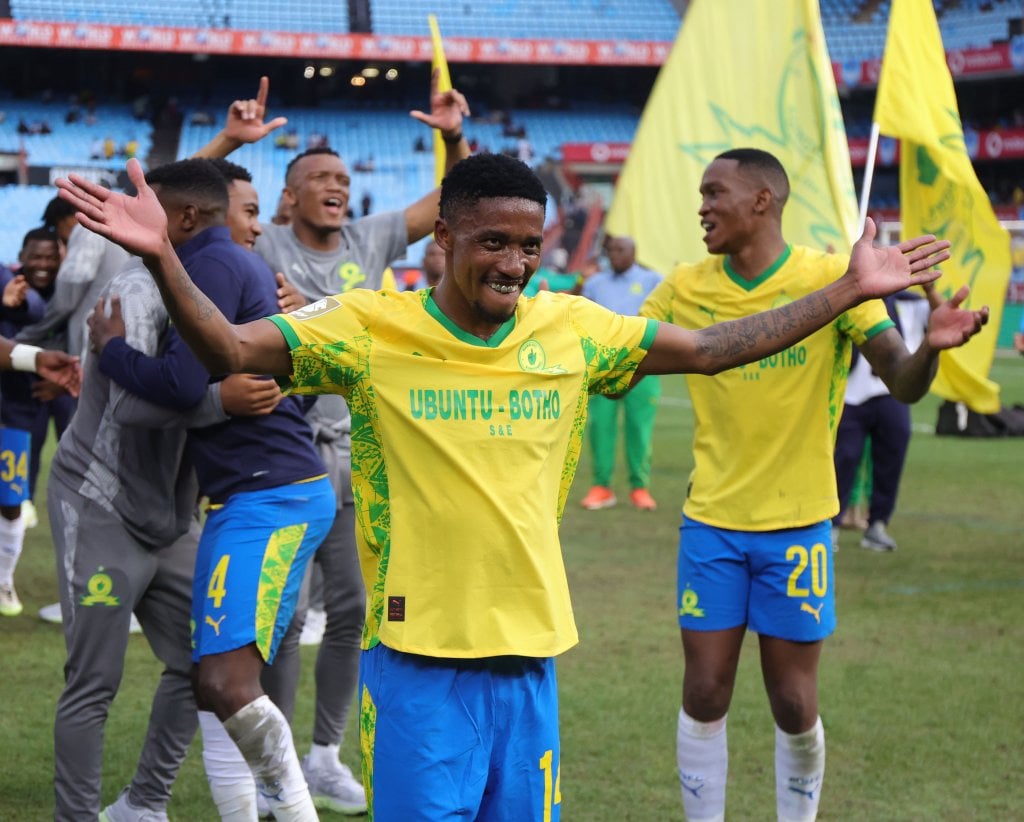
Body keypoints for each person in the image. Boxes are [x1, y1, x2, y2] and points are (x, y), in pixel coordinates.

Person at [57, 150, 967, 821]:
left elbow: (715, 347)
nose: (512, 264)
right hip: (418, 673)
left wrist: (848, 292)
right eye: (492, 242)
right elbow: (229, 348)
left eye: (528, 246)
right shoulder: (373, 326)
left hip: (532, 669)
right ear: (443, 236)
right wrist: (164, 260)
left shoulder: (572, 329)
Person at [638, 148, 988, 822]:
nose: (702, 206)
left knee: (794, 703)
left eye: (716, 193)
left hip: (799, 525)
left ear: (762, 201)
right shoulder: (683, 286)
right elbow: (623, 360)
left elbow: (902, 381)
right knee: (705, 689)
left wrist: (930, 352)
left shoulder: (832, 277)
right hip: (711, 520)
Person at [193, 72, 470, 814]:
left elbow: (454, 203)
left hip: (359, 455)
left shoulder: (370, 238)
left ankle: (323, 755)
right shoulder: (262, 238)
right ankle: (269, 759)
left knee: (351, 612)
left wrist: (450, 138)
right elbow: (185, 201)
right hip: (281, 454)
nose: (335, 186)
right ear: (286, 198)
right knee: (278, 622)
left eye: (343, 178)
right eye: (318, 176)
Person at [93, 157, 335, 820]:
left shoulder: (217, 266)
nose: (256, 227)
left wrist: (111, 349)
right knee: (218, 684)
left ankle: (295, 809)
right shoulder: (215, 264)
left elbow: (176, 383)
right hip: (248, 494)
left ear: (185, 218)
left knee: (226, 681)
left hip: (272, 494)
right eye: (249, 212)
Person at [832, 288, 936, 553]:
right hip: (851, 394)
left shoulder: (909, 302)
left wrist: (932, 289)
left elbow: (937, 317)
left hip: (892, 392)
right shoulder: (850, 297)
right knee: (842, 459)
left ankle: (877, 524)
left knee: (891, 459)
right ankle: (830, 525)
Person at [579, 235, 663, 511]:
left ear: (633, 252)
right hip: (602, 365)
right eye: (610, 250)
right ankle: (601, 487)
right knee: (600, 425)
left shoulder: (653, 281)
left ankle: (640, 488)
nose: (614, 254)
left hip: (644, 364)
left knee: (639, 427)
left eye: (620, 250)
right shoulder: (594, 284)